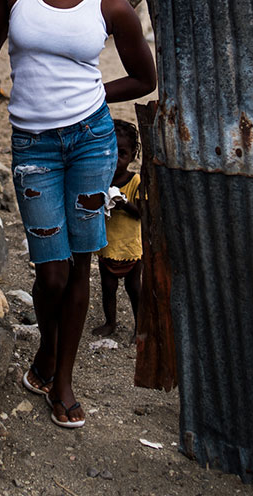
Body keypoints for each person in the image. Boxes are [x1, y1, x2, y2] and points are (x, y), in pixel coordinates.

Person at [0, 0, 156, 430]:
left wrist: (96, 93)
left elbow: (143, 77)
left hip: (91, 142)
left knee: (80, 263)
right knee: (49, 271)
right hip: (33, 146)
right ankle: (47, 351)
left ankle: (62, 377)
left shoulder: (111, 5)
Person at [92, 119, 143, 340]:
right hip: (108, 246)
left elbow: (141, 213)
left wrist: (123, 203)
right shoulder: (102, 179)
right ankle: (110, 322)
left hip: (131, 247)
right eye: (111, 152)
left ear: (132, 155)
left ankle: (140, 326)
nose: (116, 158)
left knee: (134, 289)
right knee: (108, 288)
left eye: (122, 153)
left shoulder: (135, 181)